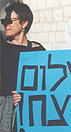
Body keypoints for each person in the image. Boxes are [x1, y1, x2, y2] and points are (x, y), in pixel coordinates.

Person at [0, 2, 45, 132]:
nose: (6, 25)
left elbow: (46, 81)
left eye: (10, 21)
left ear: (24, 23)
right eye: (4, 21)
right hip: (6, 112)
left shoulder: (38, 50)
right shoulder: (2, 50)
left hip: (32, 110)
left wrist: (27, 94)